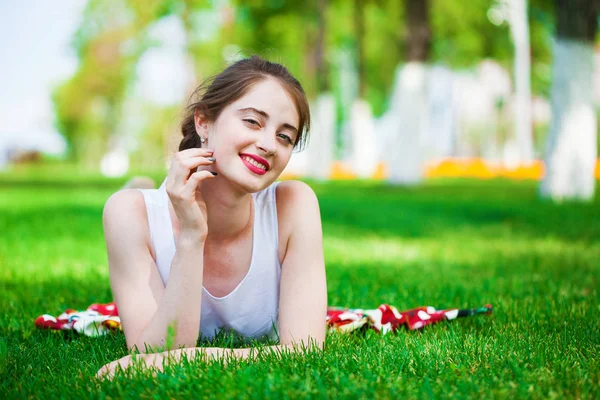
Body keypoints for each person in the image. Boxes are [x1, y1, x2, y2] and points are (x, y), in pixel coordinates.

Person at [97, 56, 327, 378]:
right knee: (133, 195)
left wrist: (196, 358)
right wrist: (192, 237)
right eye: (252, 121)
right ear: (204, 122)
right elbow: (153, 351)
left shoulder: (293, 204)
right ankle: (140, 184)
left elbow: (303, 350)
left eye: (284, 137)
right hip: (144, 209)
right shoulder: (128, 213)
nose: (268, 145)